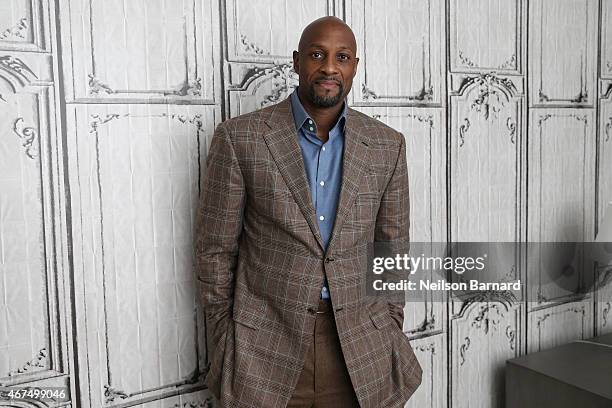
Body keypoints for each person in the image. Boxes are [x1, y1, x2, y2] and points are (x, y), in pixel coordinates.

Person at [195, 16, 422, 408]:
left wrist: (389, 327)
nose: (329, 67)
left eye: (342, 57)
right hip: (263, 352)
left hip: (359, 349)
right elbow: (214, 250)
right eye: (317, 55)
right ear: (297, 62)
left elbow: (392, 251)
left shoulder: (387, 146)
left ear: (354, 66)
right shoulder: (240, 138)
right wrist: (225, 337)